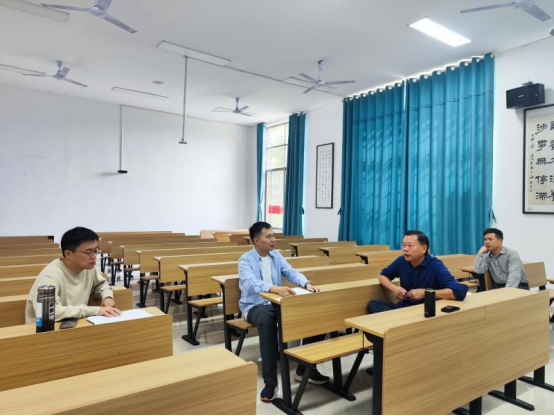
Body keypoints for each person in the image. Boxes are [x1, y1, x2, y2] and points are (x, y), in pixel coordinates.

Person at [239, 222, 329, 403]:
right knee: (267, 321)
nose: (273, 239)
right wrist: (274, 288)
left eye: (273, 235)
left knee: (316, 313)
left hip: (277, 303)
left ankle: (305, 369)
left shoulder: (276, 255)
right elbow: (250, 283)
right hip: (254, 306)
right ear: (256, 241)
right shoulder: (245, 260)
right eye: (268, 237)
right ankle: (270, 383)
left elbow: (290, 272)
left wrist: (306, 284)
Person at [26, 227, 122, 324]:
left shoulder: (88, 268)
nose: (94, 256)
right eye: (88, 252)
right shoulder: (50, 276)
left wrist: (107, 296)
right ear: (68, 254)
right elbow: (47, 313)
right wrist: (95, 310)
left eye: (95, 250)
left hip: (72, 323)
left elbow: (101, 284)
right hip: (44, 328)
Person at [368, 230, 469, 314]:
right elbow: (382, 276)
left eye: (410, 246)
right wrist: (394, 289)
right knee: (374, 303)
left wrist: (426, 293)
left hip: (424, 312)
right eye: (403, 245)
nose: (405, 249)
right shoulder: (401, 261)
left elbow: (459, 291)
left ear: (424, 248)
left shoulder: (435, 266)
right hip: (404, 308)